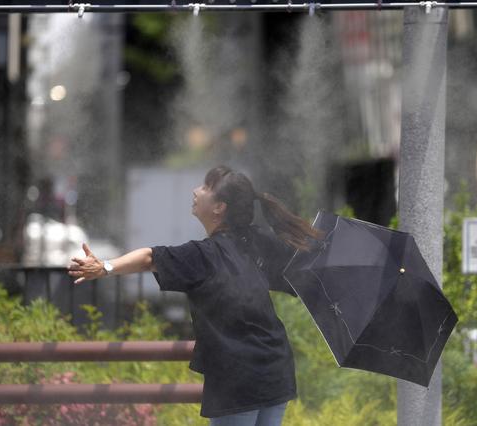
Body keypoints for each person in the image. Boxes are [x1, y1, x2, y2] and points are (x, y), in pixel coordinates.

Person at [68, 166, 320, 425]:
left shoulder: (205, 254)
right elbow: (300, 268)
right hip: (275, 366)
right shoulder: (254, 241)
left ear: (219, 207)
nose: (196, 190)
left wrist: (105, 267)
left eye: (206, 187)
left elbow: (149, 257)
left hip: (238, 375)